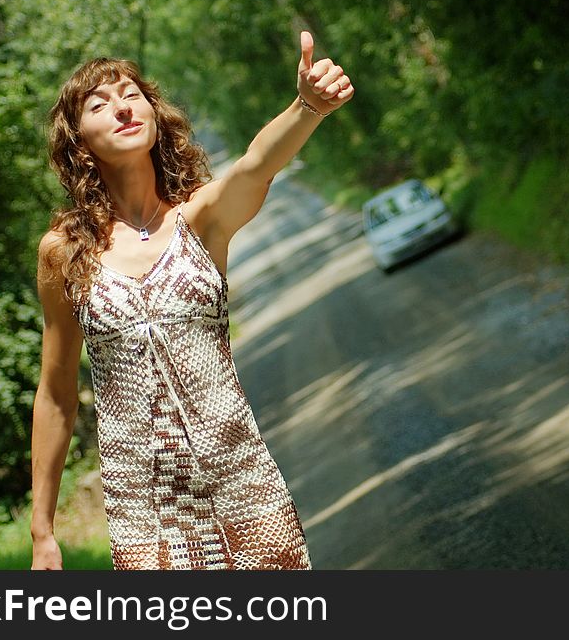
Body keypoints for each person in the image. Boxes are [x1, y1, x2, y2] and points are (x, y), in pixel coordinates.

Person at [30, 30, 353, 570]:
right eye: (98, 103)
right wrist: (43, 529)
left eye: (131, 94)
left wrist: (307, 107)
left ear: (156, 117)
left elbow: (255, 165)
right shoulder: (64, 253)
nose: (121, 107)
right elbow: (57, 391)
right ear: (78, 140)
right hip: (147, 519)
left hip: (245, 488)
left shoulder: (199, 219)